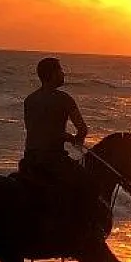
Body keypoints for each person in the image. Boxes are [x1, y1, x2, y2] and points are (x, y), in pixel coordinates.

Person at [18, 57, 100, 248]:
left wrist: (61, 135)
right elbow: (82, 129)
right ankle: (82, 232)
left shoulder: (29, 100)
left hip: (29, 159)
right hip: (52, 159)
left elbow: (35, 130)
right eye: (61, 71)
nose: (64, 74)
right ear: (52, 74)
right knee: (90, 184)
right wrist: (75, 139)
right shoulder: (64, 99)